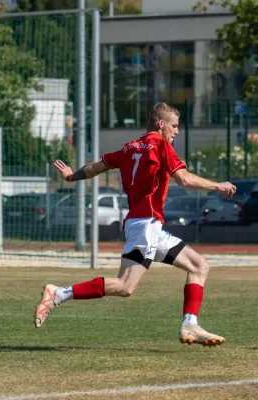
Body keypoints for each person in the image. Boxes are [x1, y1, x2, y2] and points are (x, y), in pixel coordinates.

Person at [34, 103, 236, 347]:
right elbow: (183, 179)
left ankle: (190, 324)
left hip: (147, 225)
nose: (177, 132)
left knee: (199, 266)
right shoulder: (161, 144)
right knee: (125, 286)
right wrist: (217, 185)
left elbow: (93, 168)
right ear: (160, 124)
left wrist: (70, 176)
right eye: (174, 126)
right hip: (145, 225)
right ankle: (58, 293)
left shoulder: (129, 148)